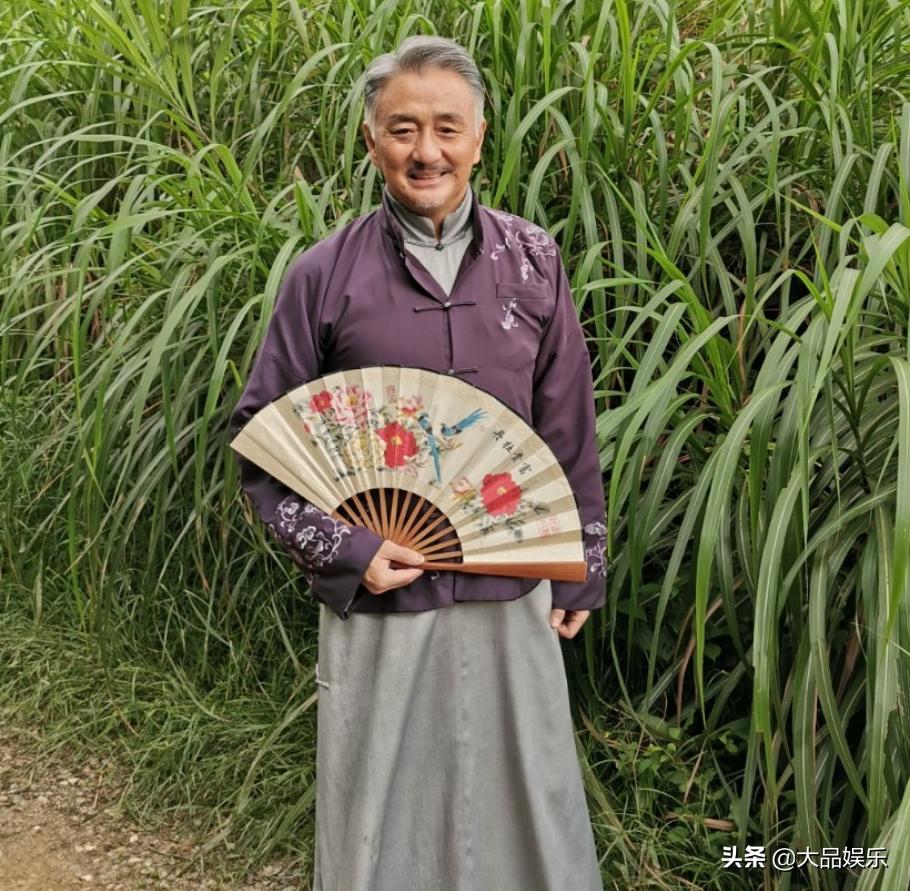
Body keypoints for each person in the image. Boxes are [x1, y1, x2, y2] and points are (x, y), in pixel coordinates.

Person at [229, 35, 607, 891]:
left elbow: (566, 427)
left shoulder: (534, 261)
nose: (425, 151)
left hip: (513, 586)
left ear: (479, 136)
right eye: (403, 129)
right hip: (382, 593)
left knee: (527, 792)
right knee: (380, 804)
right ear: (372, 141)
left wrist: (582, 564)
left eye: (446, 127)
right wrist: (351, 551)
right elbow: (263, 440)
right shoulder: (323, 276)